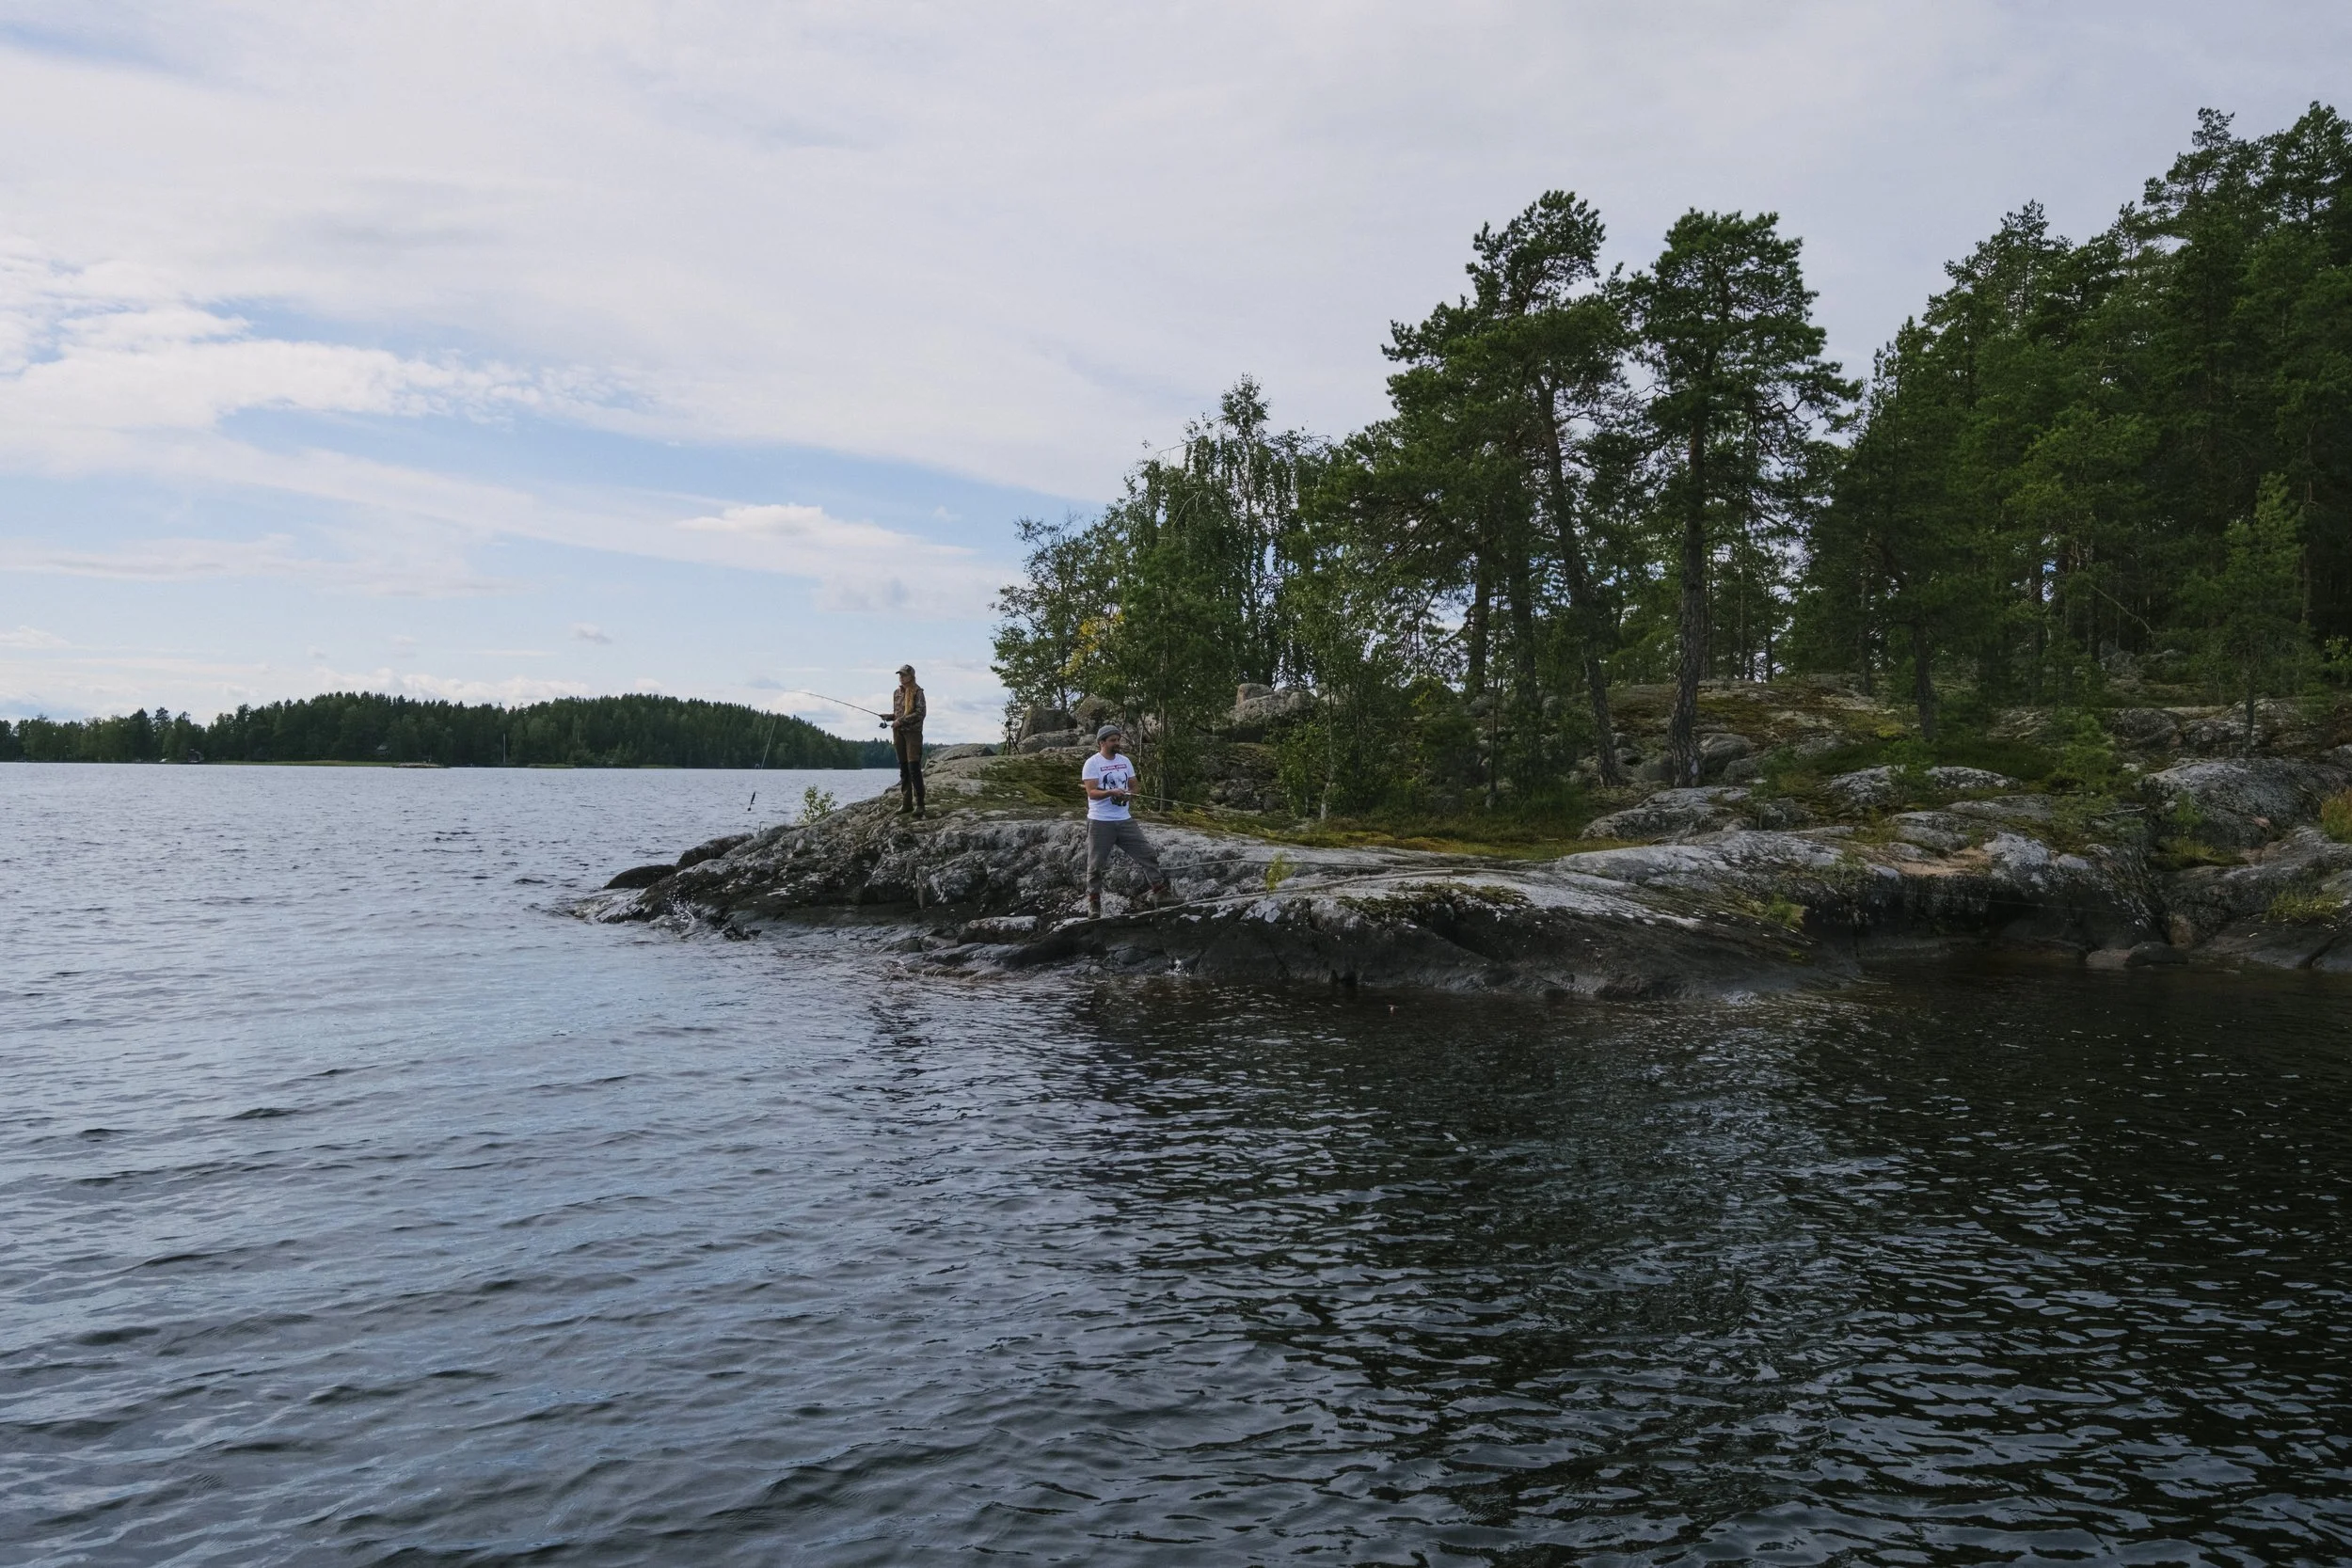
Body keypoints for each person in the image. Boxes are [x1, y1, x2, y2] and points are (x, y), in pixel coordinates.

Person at [1080, 722, 1170, 919]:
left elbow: (1134, 786)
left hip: (1124, 819)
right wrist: (1111, 792)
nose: (1117, 743)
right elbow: (1092, 793)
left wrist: (1129, 794)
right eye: (1113, 740)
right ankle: (1094, 902)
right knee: (1095, 865)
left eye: (1118, 739)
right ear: (1102, 742)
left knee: (1147, 853)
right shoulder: (1092, 763)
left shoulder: (1125, 761)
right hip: (1100, 821)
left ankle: (1160, 893)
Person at [888, 663, 926, 818]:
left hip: (913, 734)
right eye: (900, 675)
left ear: (911, 676)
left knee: (914, 768)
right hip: (899, 734)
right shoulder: (896, 693)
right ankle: (906, 803)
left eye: (904, 675)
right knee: (904, 769)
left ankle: (920, 804)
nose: (901, 677)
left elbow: (920, 713)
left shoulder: (918, 692)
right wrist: (889, 717)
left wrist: (901, 721)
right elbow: (897, 713)